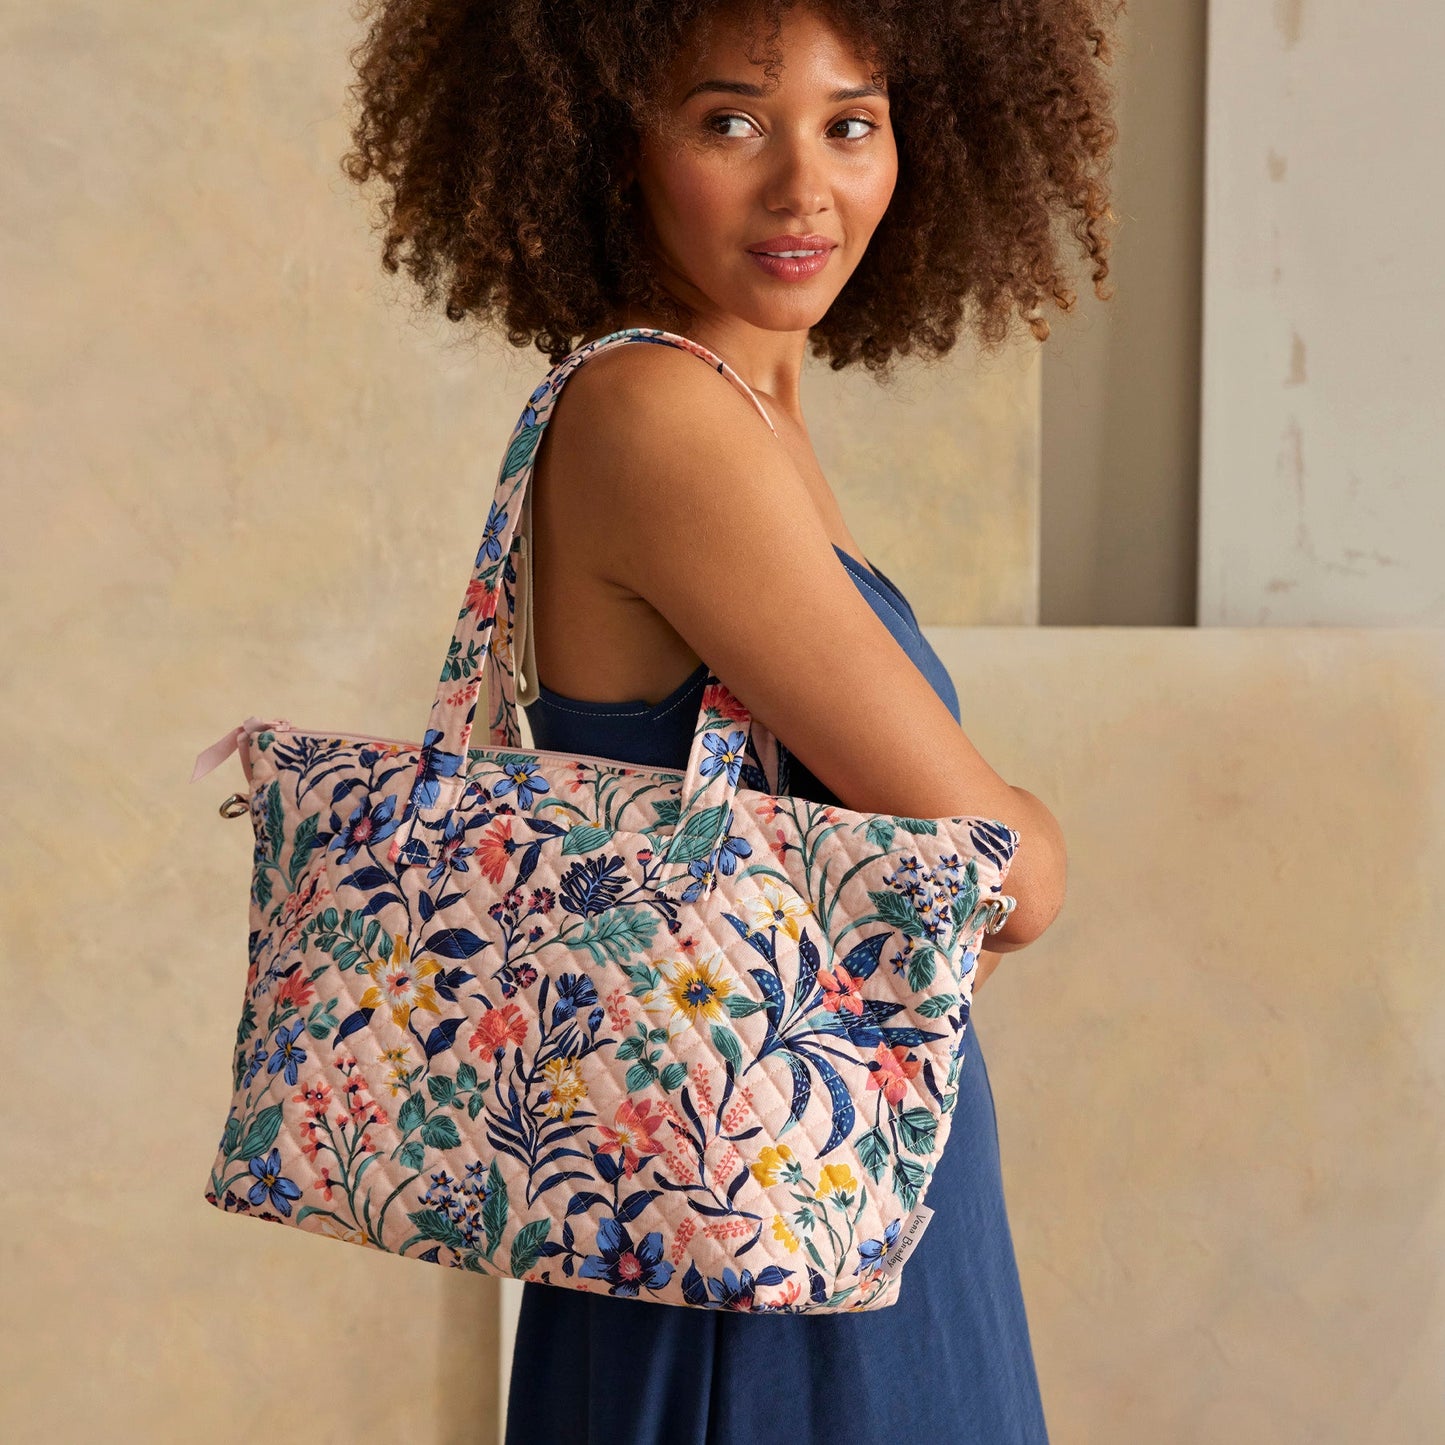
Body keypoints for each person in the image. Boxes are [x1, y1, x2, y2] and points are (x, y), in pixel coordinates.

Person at [342, 1, 1122, 1439]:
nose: (803, 186)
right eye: (731, 121)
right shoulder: (661, 415)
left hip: (821, 1188)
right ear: (606, 138)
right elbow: (1008, 876)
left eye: (851, 122)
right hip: (757, 1242)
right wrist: (1026, 838)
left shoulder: (749, 407)